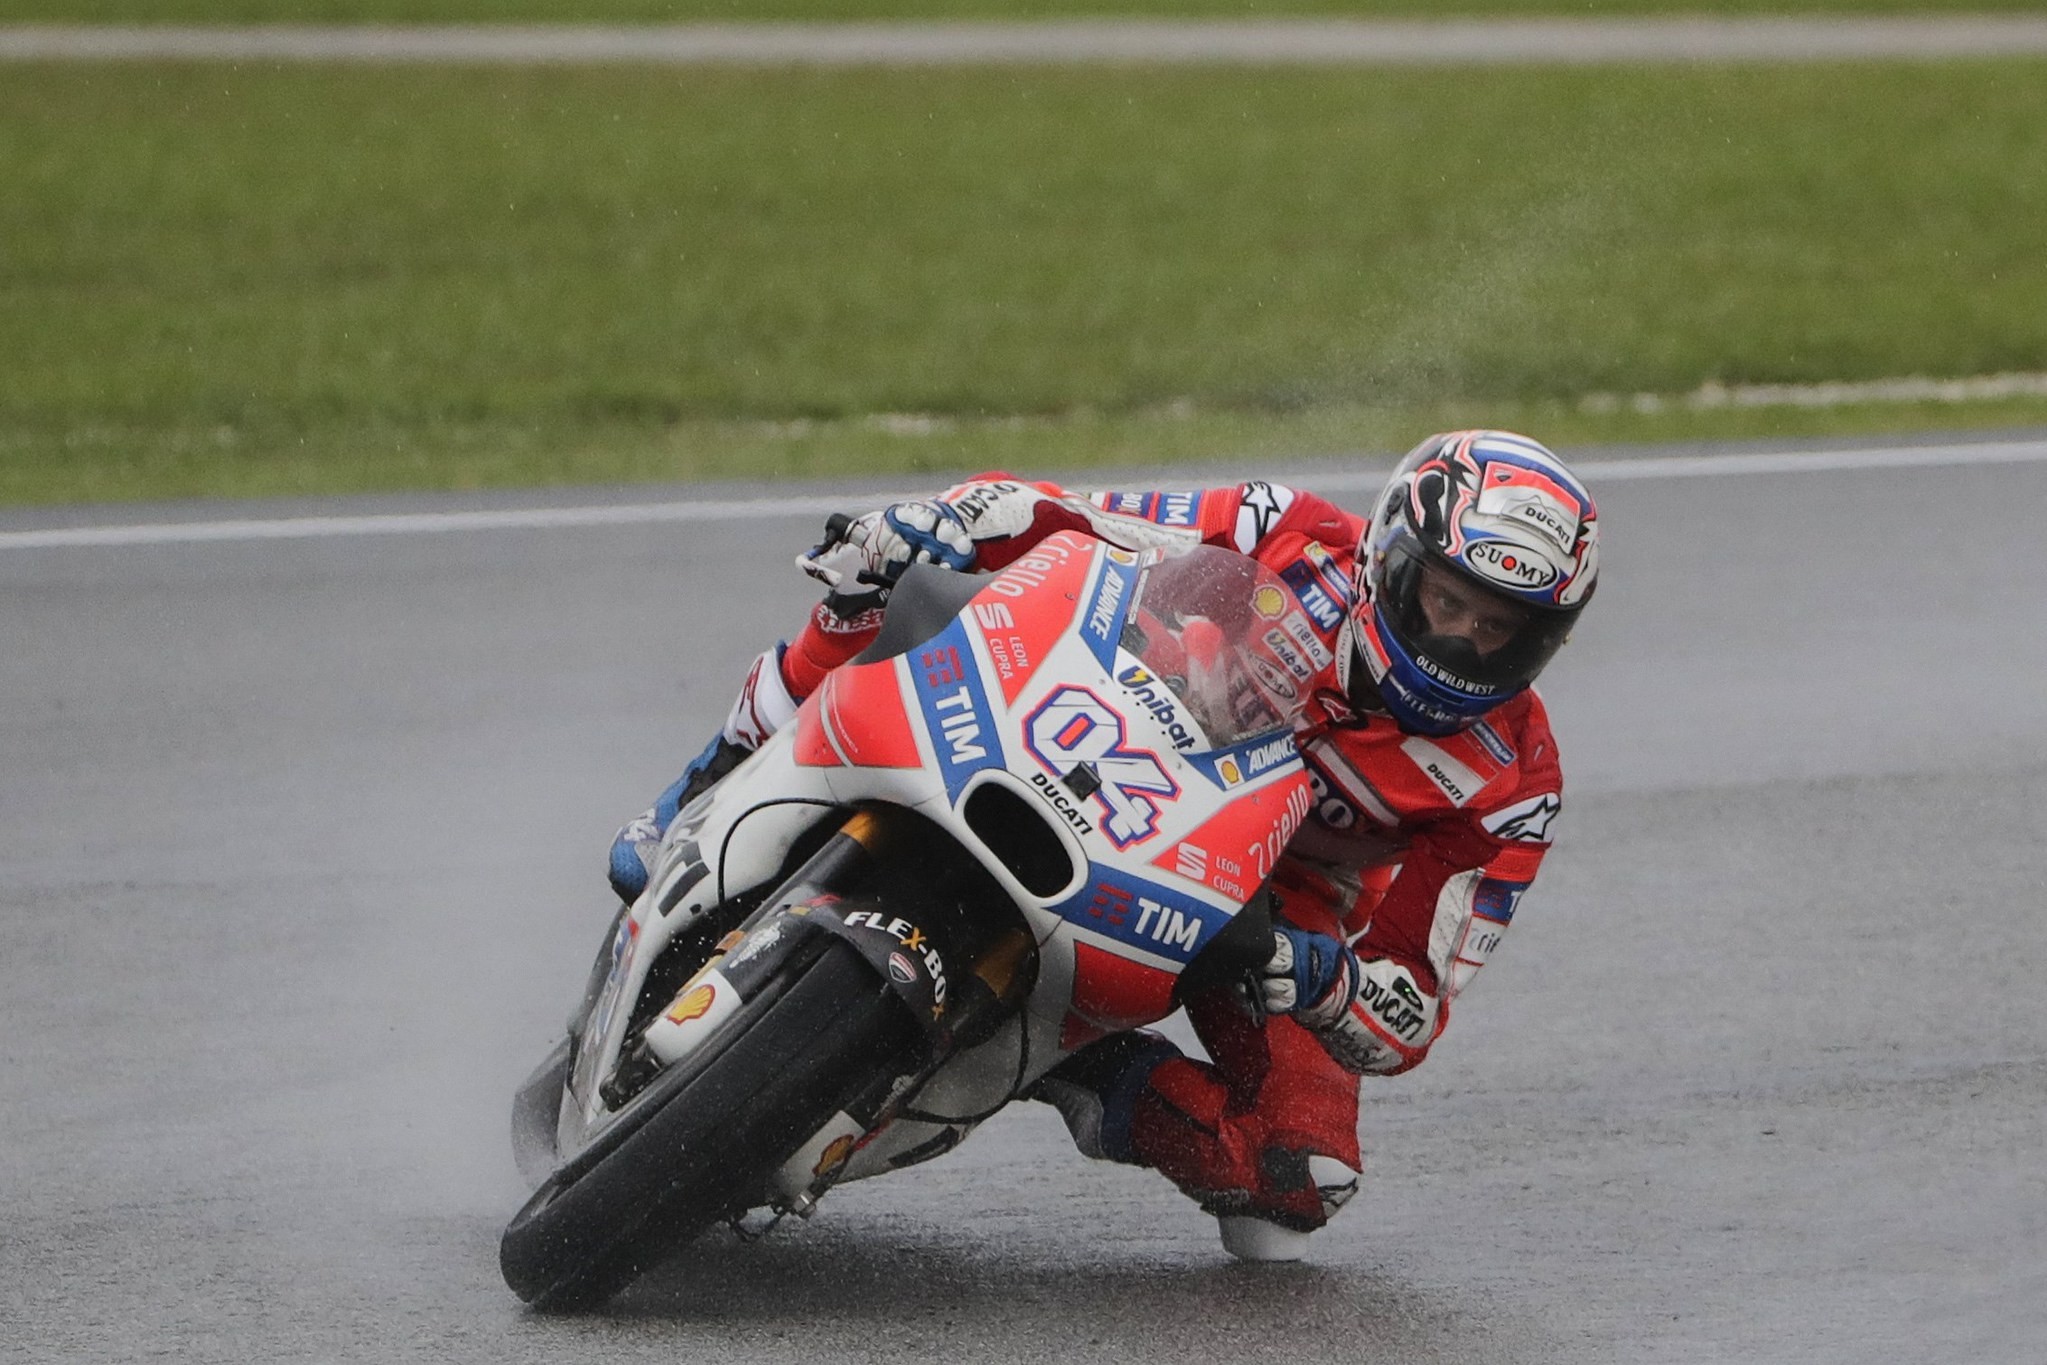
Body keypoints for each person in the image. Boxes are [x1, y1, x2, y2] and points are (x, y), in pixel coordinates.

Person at [608, 430, 1599, 1261]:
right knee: (880, 569)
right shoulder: (1282, 532)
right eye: (1444, 602)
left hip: (1267, 908)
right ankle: (705, 780)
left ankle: (1068, 1066)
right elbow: (1067, 514)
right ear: (1390, 557)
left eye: (1498, 629)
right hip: (1121, 742)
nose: (1459, 646)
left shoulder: (1513, 785)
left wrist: (1325, 980)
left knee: (1298, 1180)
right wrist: (946, 520)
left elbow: (1414, 1009)